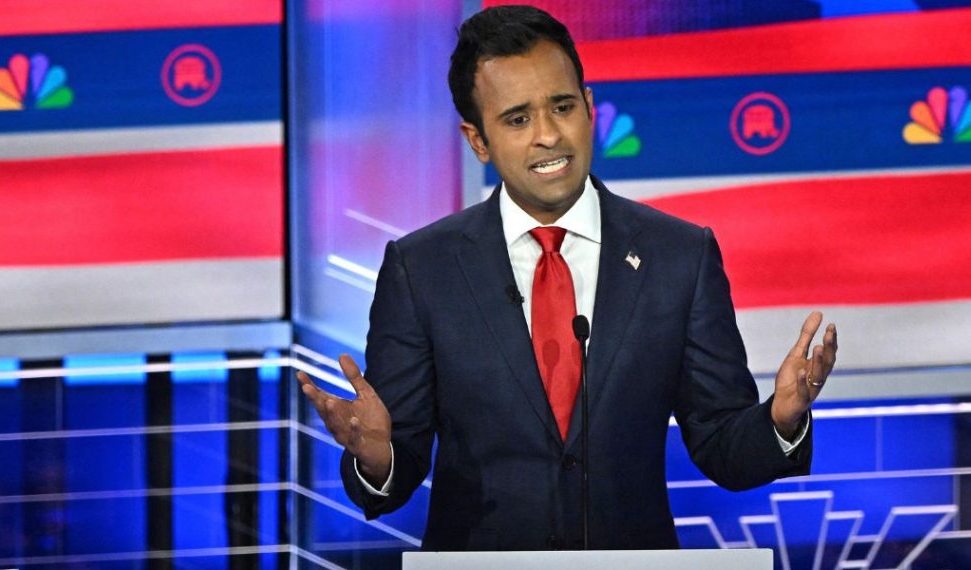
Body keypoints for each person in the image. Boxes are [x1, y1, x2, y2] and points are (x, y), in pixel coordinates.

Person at [297, 4, 837, 551]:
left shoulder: (679, 256)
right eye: (517, 119)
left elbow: (723, 445)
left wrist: (781, 420)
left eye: (562, 106)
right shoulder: (421, 269)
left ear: (590, 107)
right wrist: (377, 458)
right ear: (478, 140)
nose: (549, 135)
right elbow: (396, 462)